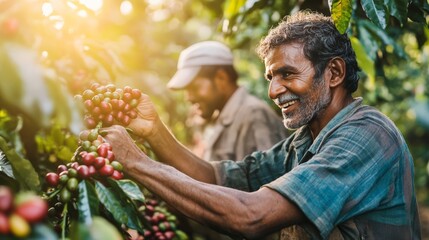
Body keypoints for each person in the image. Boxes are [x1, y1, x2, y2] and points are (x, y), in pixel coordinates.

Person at [103, 11, 421, 239]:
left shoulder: (366, 136)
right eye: (271, 77)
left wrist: (136, 163)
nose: (273, 91)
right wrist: (154, 131)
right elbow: (219, 178)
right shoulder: (304, 141)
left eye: (287, 74)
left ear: (334, 73)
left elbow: (251, 216)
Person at [167, 40, 288, 162]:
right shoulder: (219, 117)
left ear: (221, 78)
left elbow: (272, 175)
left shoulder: (254, 115)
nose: (188, 97)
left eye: (194, 88)